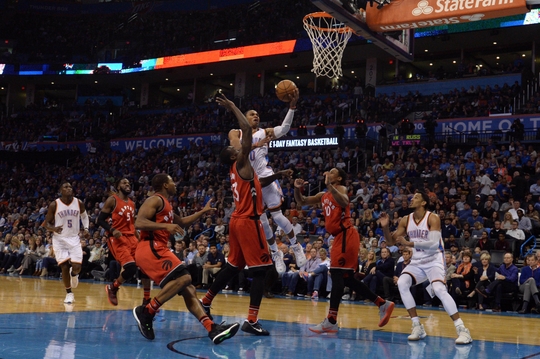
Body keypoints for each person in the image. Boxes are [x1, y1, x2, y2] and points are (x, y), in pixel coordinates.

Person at [201, 93, 291, 336]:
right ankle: (251, 320)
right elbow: (244, 130)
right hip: (249, 222)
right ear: (233, 154)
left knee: (232, 267)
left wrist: (279, 173)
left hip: (237, 220)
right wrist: (232, 106)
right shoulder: (241, 161)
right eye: (234, 148)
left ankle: (206, 301)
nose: (237, 147)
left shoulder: (237, 167)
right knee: (261, 269)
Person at [132, 173, 239, 344]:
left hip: (158, 249)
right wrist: (166, 225)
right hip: (149, 247)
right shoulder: (154, 200)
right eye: (172, 181)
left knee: (189, 288)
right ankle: (148, 312)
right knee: (185, 277)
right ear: (165, 185)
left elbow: (181, 222)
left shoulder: (167, 205)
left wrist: (202, 212)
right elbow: (138, 222)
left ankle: (211, 328)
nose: (175, 184)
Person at [293, 167, 394, 333]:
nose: (328, 173)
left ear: (338, 178)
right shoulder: (323, 195)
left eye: (332, 172)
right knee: (346, 279)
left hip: (346, 234)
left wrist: (330, 187)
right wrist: (297, 189)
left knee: (338, 274)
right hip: (338, 237)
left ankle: (331, 320)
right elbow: (302, 201)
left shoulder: (340, 189)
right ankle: (382, 304)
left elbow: (345, 202)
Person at [228, 87, 306, 273]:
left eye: (257, 114)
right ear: (244, 118)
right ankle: (275, 253)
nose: (256, 116)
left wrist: (292, 107)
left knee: (277, 216)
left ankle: (296, 246)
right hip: (247, 180)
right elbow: (239, 149)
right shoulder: (235, 132)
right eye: (252, 114)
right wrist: (257, 144)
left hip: (264, 176)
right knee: (262, 221)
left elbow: (285, 128)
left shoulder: (265, 131)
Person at [380, 192, 472, 344]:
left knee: (439, 289)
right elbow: (390, 242)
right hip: (417, 261)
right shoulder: (406, 219)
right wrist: (385, 228)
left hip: (434, 259)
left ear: (423, 203)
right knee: (402, 283)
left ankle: (462, 330)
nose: (411, 199)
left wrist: (410, 244)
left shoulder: (432, 217)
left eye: (416, 197)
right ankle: (417, 326)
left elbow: (434, 244)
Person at [97, 178, 152, 307]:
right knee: (131, 268)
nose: (127, 184)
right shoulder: (113, 200)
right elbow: (100, 220)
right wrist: (112, 229)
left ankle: (146, 301)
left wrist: (139, 238)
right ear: (117, 186)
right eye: (124, 183)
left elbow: (131, 224)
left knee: (145, 266)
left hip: (132, 237)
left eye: (128, 183)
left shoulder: (132, 203)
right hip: (117, 238)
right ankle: (113, 287)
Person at [44, 182, 90, 305]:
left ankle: (74, 274)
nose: (69, 188)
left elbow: (85, 217)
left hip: (74, 238)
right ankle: (69, 293)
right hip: (59, 239)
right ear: (61, 190)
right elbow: (46, 224)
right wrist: (54, 229)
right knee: (64, 266)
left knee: (77, 267)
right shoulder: (55, 204)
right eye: (65, 187)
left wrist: (86, 229)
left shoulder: (79, 202)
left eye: (70, 187)